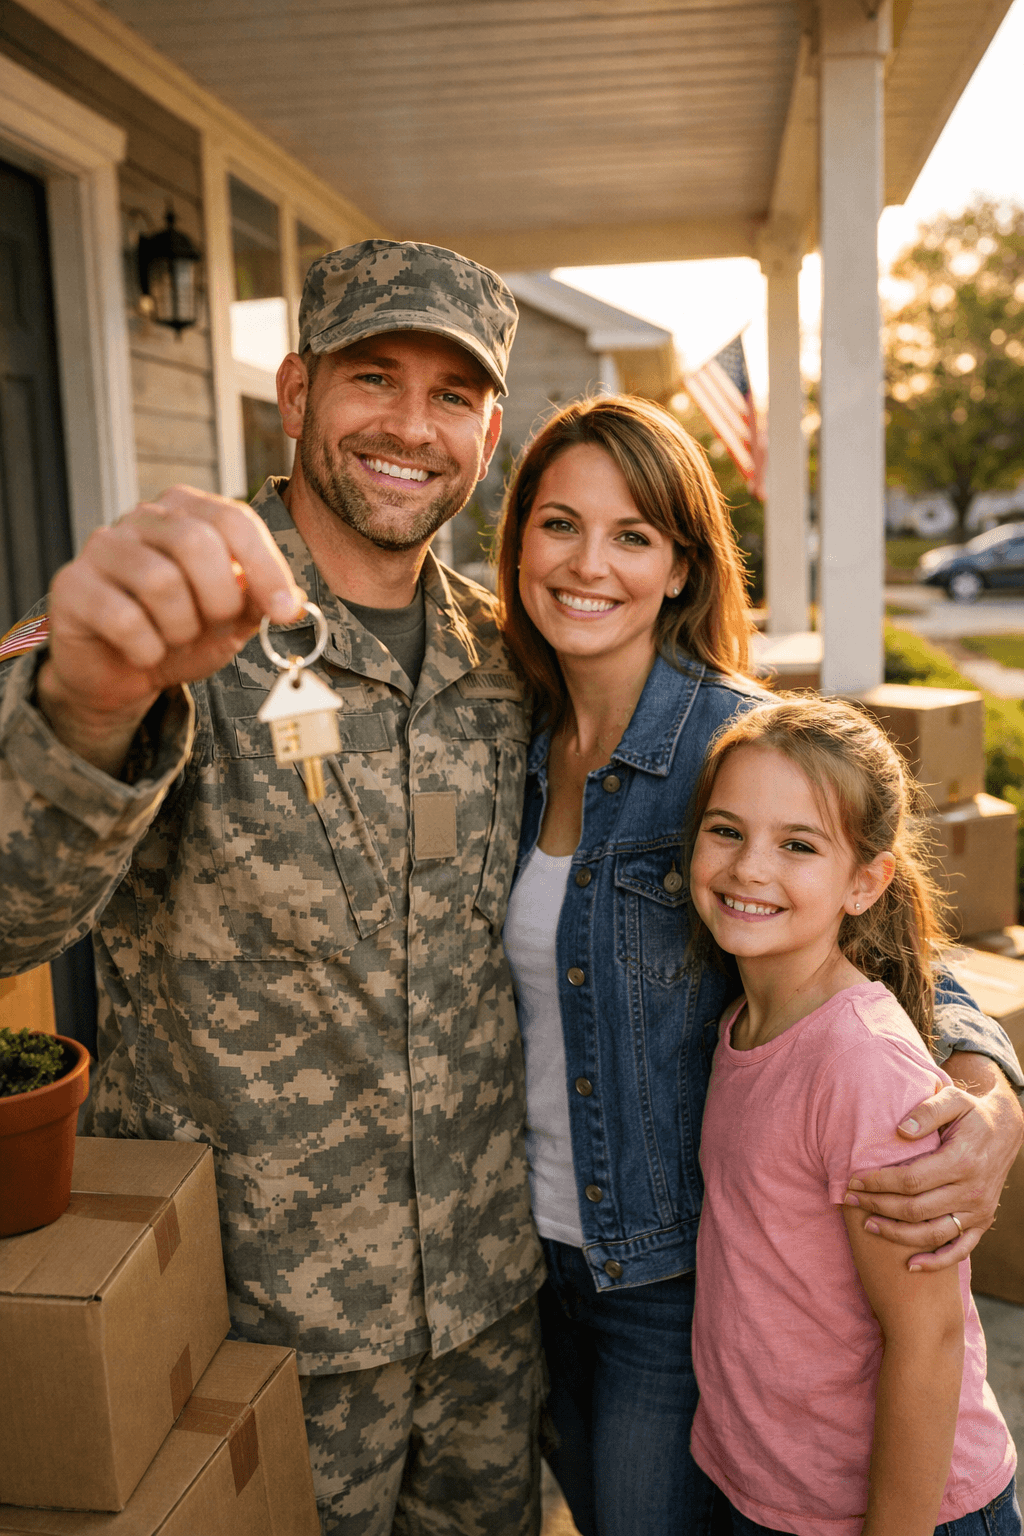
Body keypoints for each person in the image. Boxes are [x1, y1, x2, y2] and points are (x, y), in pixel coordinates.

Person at [0, 241, 545, 1535]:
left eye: (452, 394)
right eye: (373, 377)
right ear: (295, 391)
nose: (411, 425)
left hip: (486, 1324)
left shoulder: (515, 661)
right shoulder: (166, 623)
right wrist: (83, 707)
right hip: (257, 1342)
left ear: (490, 428)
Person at [495, 394, 1024, 1536]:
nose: (590, 564)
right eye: (558, 524)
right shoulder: (508, 740)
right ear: (517, 543)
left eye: (633, 534)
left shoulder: (730, 747)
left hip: (669, 1279)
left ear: (682, 567)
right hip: (526, 1261)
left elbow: (897, 954)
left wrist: (989, 1090)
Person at [687, 695, 1020, 1536]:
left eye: (798, 845)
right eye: (726, 831)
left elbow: (928, 1338)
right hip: (772, 1492)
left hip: (898, 1513)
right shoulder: (746, 1019)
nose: (749, 869)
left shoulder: (860, 1065)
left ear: (865, 883)